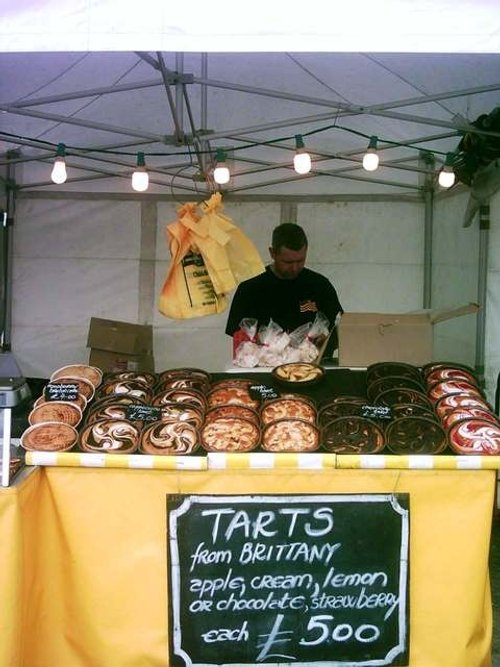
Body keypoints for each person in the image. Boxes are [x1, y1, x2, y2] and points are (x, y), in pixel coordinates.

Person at [225, 222, 343, 358]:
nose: (294, 268)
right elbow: (237, 337)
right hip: (263, 367)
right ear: (272, 253)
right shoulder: (250, 289)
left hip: (312, 368)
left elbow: (340, 327)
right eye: (287, 262)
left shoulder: (320, 285)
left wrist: (326, 340)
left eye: (300, 261)